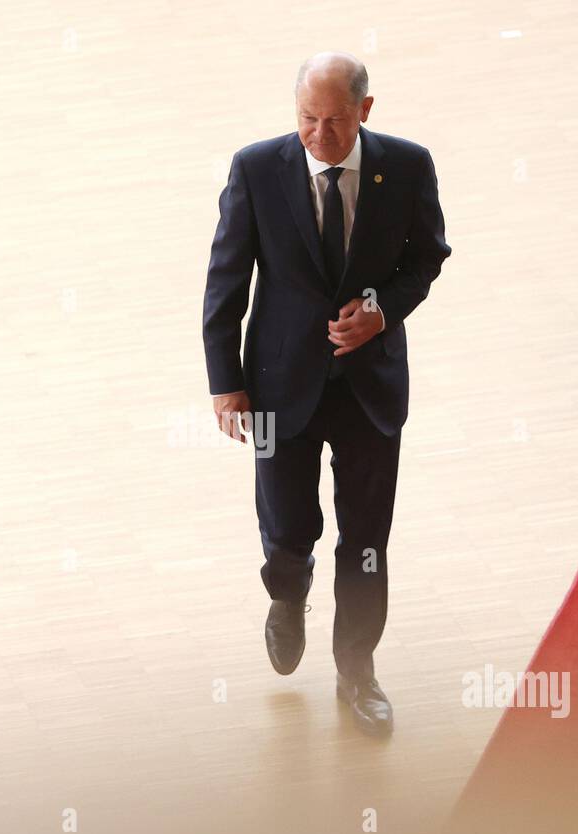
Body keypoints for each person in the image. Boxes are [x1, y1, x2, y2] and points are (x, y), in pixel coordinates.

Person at [202, 51, 452, 735]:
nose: (319, 135)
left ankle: (356, 672)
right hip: (279, 387)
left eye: (335, 121)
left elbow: (426, 257)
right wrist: (226, 384)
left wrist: (382, 310)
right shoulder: (257, 168)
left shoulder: (406, 165)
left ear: (365, 111)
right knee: (286, 529)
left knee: (367, 541)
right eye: (307, 120)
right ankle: (288, 592)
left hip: (369, 389)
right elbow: (226, 282)